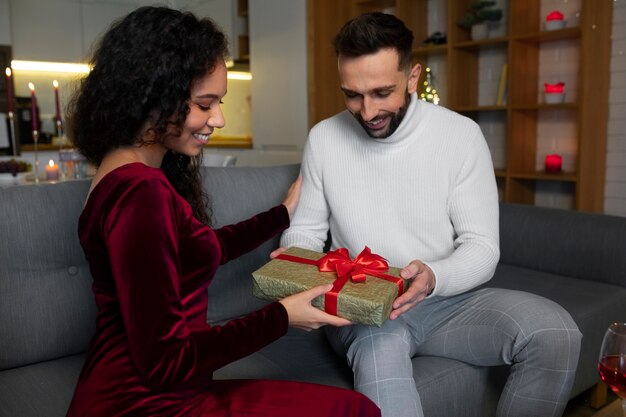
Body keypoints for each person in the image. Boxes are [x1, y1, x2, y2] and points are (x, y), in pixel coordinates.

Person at [64, 6, 381, 417]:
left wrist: (281, 214)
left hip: (159, 391)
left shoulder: (124, 171)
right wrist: (281, 317)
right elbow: (164, 362)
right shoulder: (140, 194)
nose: (219, 118)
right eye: (205, 103)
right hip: (145, 402)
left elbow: (195, 249)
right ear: (154, 96)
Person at [279, 12, 582, 417]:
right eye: (353, 95)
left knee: (555, 332)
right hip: (365, 310)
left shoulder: (460, 136)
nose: (367, 112)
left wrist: (433, 277)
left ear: (413, 76)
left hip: (446, 302)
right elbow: (304, 233)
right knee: (380, 351)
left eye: (382, 92)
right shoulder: (324, 138)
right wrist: (298, 267)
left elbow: (482, 247)